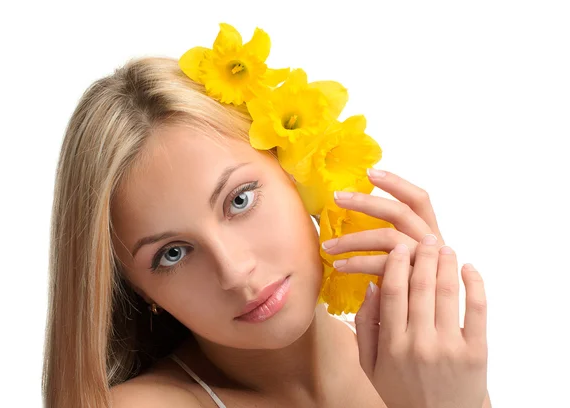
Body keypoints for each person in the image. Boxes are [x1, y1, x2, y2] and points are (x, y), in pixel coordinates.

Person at [42, 50, 491, 407]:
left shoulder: (421, 368)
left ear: (297, 171)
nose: (235, 272)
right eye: (172, 254)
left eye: (240, 200)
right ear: (137, 290)